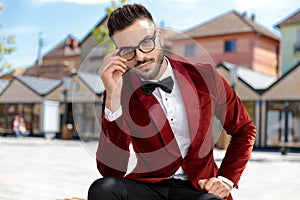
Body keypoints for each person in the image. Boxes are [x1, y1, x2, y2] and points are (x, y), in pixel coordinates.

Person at [88, 4, 256, 200]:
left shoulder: (205, 76)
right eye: (128, 51)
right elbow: (111, 171)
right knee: (103, 189)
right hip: (150, 188)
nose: (140, 56)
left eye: (145, 43)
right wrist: (113, 99)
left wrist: (226, 179)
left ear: (159, 36)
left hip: (198, 188)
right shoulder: (119, 89)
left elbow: (244, 129)